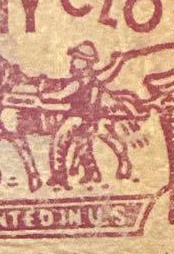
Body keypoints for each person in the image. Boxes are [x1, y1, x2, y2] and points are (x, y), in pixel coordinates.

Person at [43, 41, 130, 188]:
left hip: (78, 119)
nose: (72, 62)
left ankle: (59, 175)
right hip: (90, 119)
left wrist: (44, 96)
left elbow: (60, 95)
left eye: (76, 59)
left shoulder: (78, 82)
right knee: (84, 146)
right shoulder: (93, 78)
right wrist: (117, 61)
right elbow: (108, 71)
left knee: (59, 141)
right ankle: (93, 172)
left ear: (85, 62)